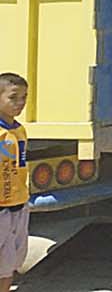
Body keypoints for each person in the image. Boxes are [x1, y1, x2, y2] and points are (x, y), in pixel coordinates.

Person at [0, 74, 28, 290]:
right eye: (13, 97)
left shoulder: (19, 130)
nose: (20, 103)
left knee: (12, 263)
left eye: (24, 97)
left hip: (18, 203)